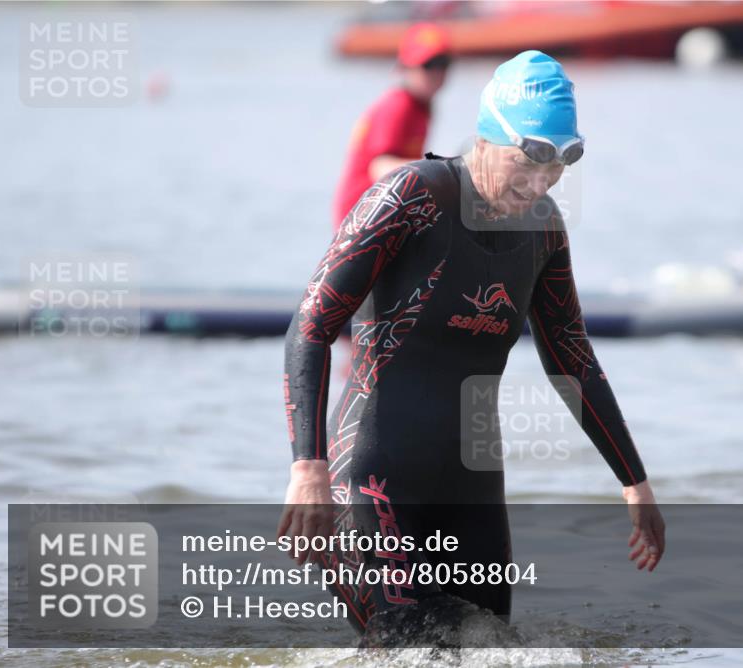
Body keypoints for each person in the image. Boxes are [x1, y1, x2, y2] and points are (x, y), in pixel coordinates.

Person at [279, 50, 666, 635]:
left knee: (494, 648)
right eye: (528, 161)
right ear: (487, 138)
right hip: (372, 477)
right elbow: (310, 326)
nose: (539, 182)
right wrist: (308, 468)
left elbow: (572, 358)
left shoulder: (543, 228)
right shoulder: (410, 197)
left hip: (471, 486)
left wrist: (635, 483)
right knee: (414, 648)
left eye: (559, 165)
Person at [331, 23, 451, 234]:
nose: (437, 72)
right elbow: (380, 167)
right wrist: (441, 170)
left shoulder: (422, 108)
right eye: (428, 65)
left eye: (443, 63)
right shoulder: (397, 105)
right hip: (361, 216)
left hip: (389, 211)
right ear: (406, 68)